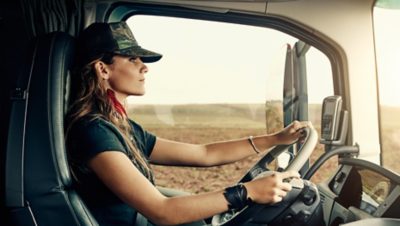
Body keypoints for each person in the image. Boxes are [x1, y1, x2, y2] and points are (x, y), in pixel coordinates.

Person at [65, 21, 310, 226]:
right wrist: (247, 192)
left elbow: (204, 154)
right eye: (132, 59)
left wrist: (275, 139)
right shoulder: (94, 132)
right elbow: (162, 211)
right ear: (102, 69)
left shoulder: (122, 127)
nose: (144, 67)